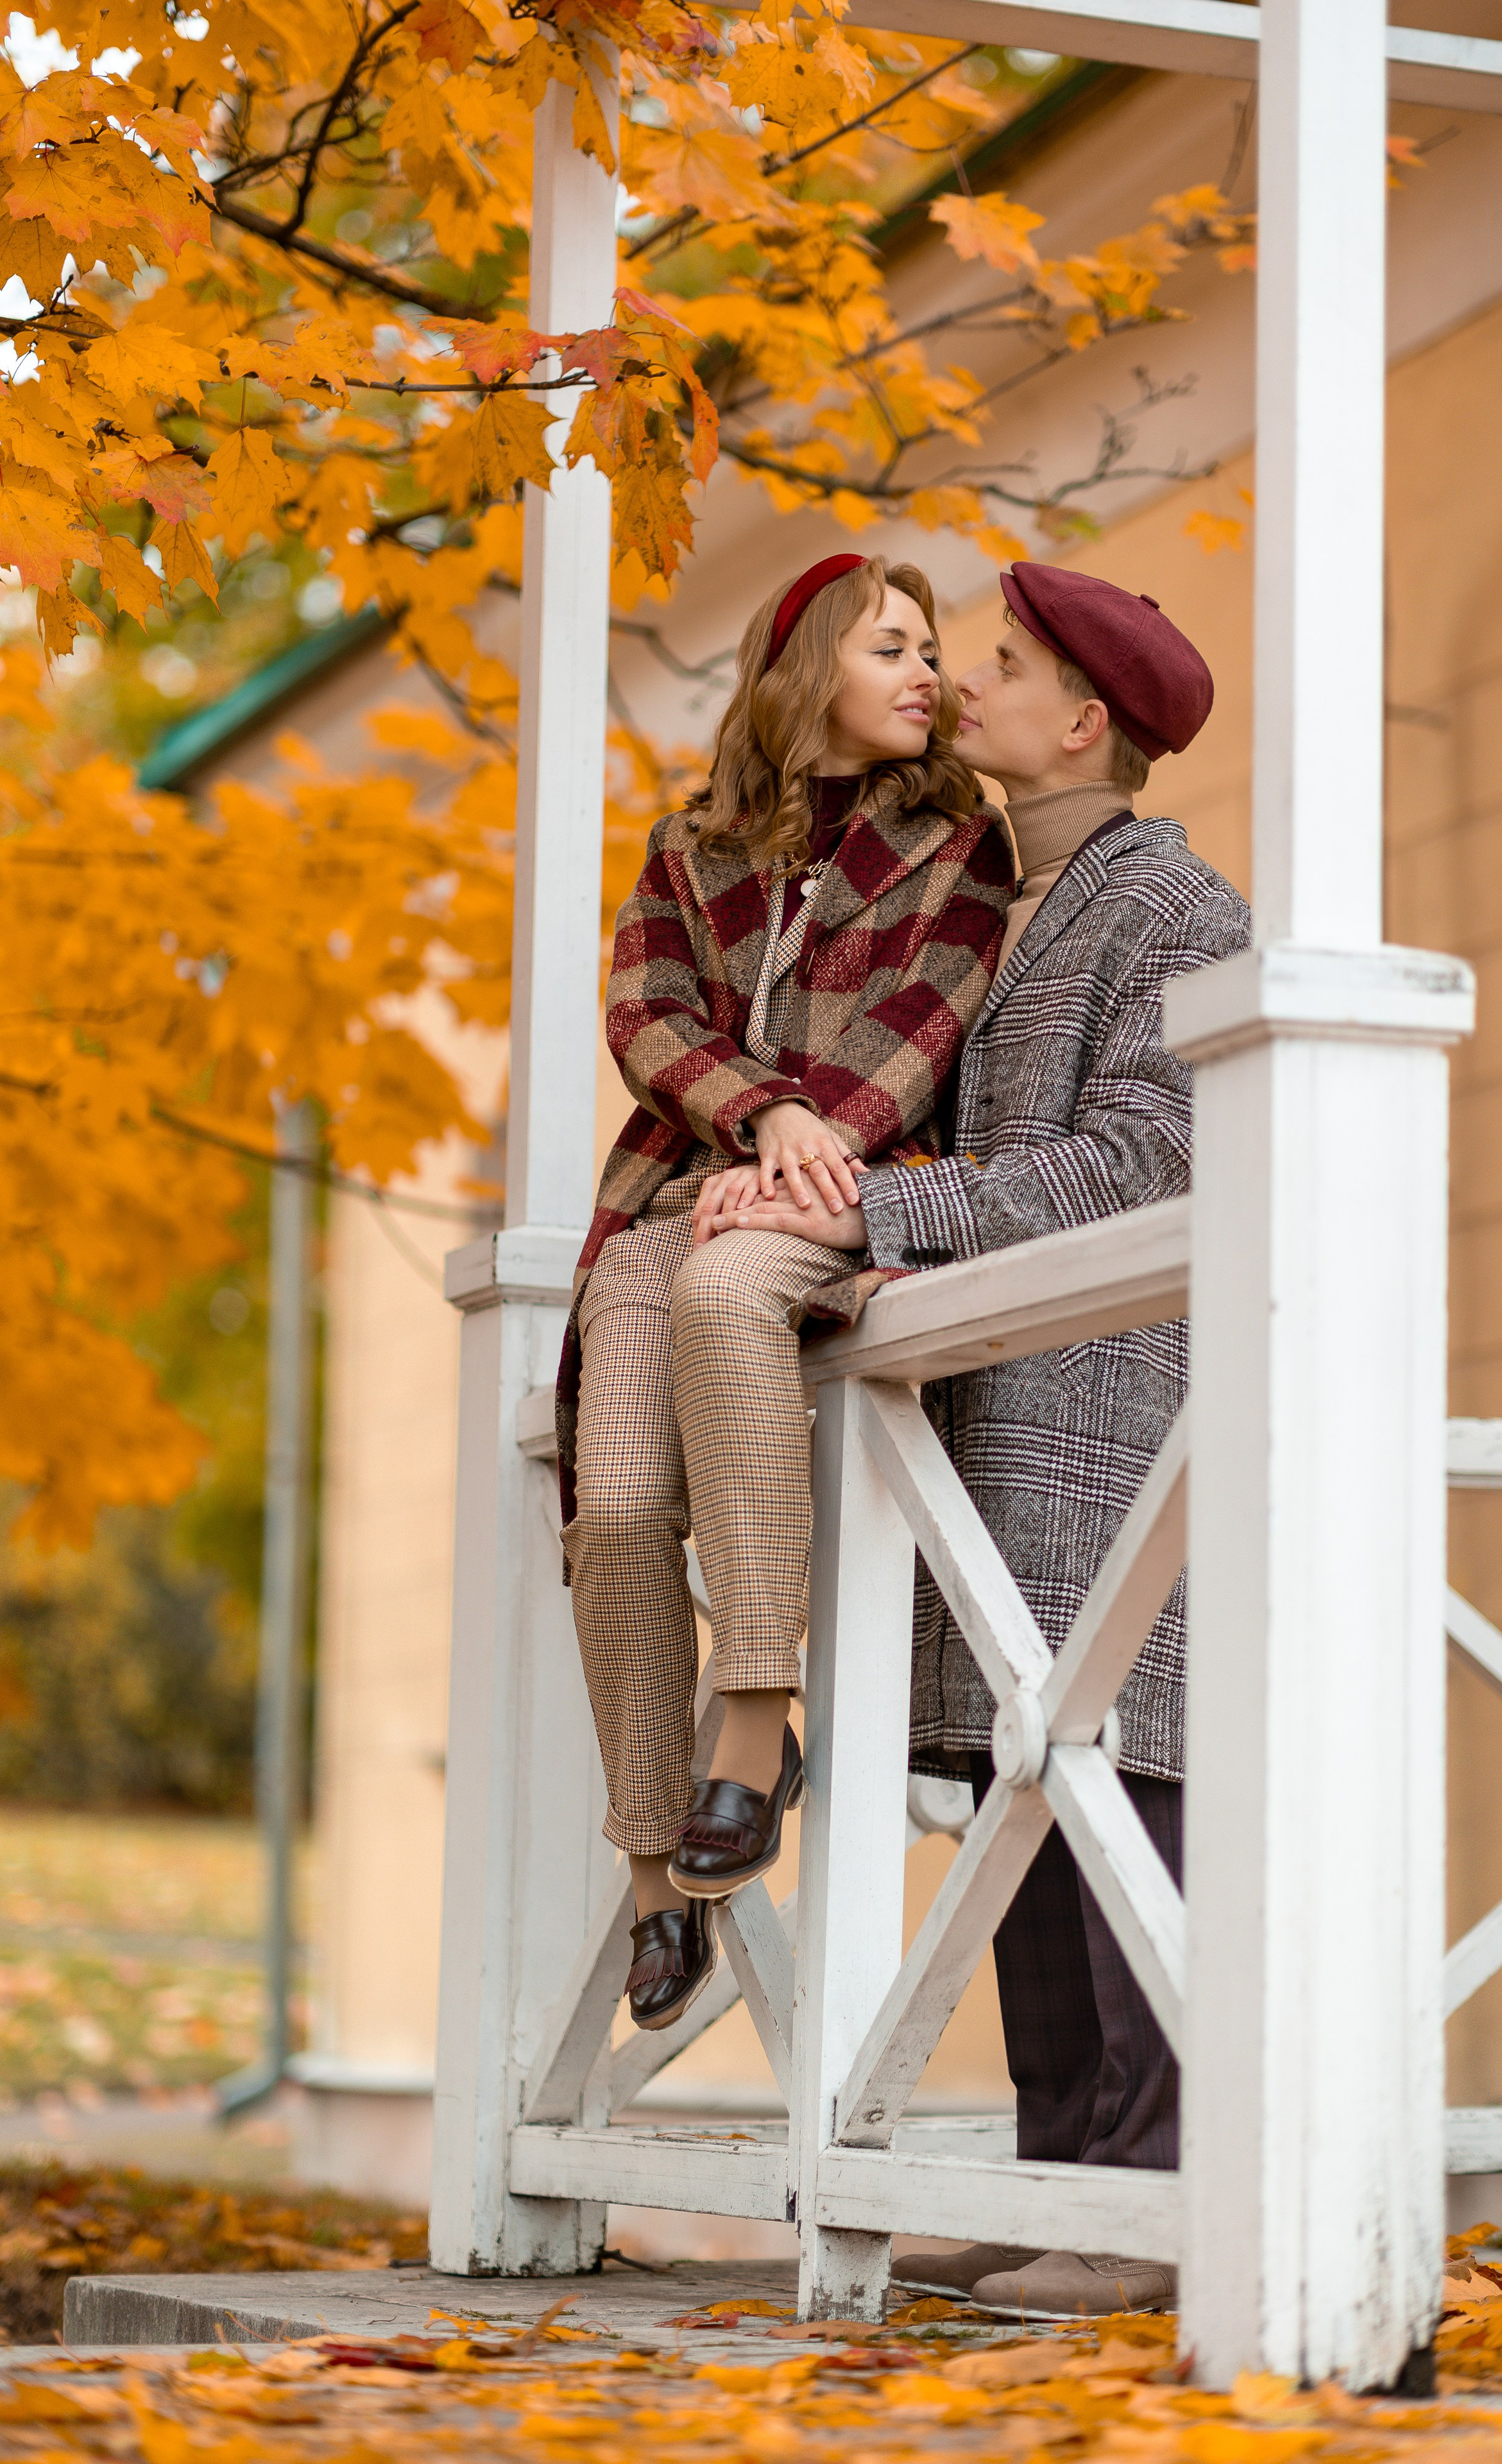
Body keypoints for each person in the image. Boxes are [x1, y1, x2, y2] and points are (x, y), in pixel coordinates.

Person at [696, 562, 1250, 2319]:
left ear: (1084, 720)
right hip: (1016, 1421)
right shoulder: (1031, 892)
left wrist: (894, 1218)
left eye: (997, 667)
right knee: (1028, 1795)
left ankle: (1147, 2201)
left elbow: (1145, 1166)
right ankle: (1059, 2182)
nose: (963, 685)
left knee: (1123, 1800)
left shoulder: (1172, 907)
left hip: (1121, 1422)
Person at [556, 552, 1013, 2037]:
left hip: (845, 1190)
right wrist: (755, 1116)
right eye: (892, 645)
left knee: (724, 1295)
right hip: (676, 1190)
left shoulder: (960, 838)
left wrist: (805, 1144)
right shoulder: (689, 845)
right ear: (806, 661)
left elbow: (922, 1029)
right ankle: (649, 1874)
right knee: (612, 1503)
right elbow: (641, 1011)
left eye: (931, 652)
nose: (926, 674)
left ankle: (755, 1718)